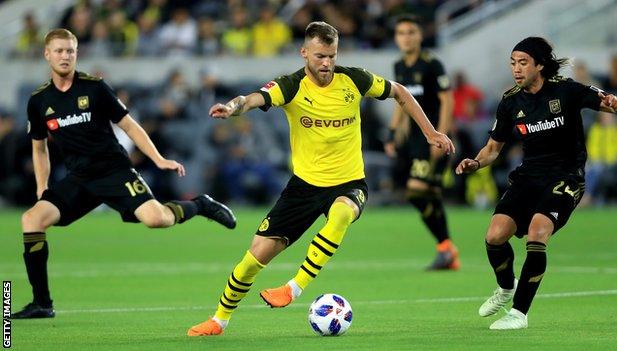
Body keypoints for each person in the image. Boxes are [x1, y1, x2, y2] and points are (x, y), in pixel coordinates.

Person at [187, 21, 454, 336]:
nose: (326, 63)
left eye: (331, 55)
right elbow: (253, 98)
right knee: (254, 257)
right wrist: (233, 108)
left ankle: (294, 288)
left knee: (342, 213)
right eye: (319, 56)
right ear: (304, 53)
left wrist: (431, 132)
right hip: (303, 187)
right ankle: (218, 320)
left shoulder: (354, 79)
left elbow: (400, 92)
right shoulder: (291, 86)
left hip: (349, 183)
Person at [11, 28, 236, 319]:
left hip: (114, 171)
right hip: (79, 178)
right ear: (47, 54)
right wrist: (42, 187)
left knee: (157, 219)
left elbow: (129, 126)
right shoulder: (39, 100)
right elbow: (39, 148)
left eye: (70, 51)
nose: (65, 56)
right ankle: (42, 303)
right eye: (59, 51)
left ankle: (201, 204)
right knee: (31, 219)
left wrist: (157, 158)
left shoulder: (94, 88)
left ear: (77, 54)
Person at [455, 36, 617, 330]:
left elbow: (612, 104)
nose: (516, 69)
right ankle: (506, 288)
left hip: (566, 177)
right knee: (494, 236)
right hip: (528, 176)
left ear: (540, 65)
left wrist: (616, 104)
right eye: (513, 63)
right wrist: (475, 162)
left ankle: (519, 313)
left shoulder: (567, 90)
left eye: (523, 63)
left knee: (537, 231)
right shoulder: (510, 102)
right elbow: (493, 149)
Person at [384, 15, 459, 270]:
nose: (406, 37)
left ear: (419, 36)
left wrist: (439, 135)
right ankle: (446, 251)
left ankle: (446, 248)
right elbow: (401, 100)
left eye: (411, 32)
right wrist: (393, 132)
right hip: (415, 139)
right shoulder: (400, 66)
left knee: (416, 191)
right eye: (401, 32)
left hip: (435, 137)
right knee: (429, 194)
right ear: (396, 38)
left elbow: (447, 101)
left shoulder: (431, 64)